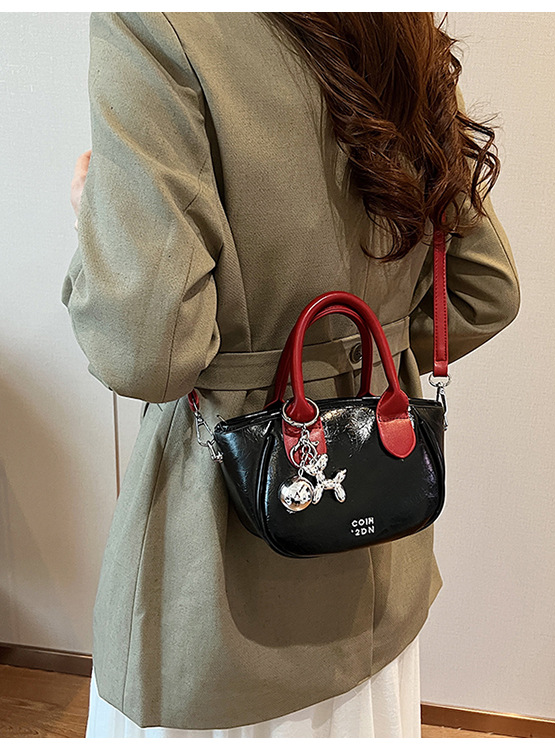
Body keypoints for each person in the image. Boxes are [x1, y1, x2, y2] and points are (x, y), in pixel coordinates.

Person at [63, 11, 521, 738]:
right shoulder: (400, 27)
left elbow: (146, 349)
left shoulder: (155, 22)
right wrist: (363, 363)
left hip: (221, 580)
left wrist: (98, 220)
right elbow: (483, 290)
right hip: (378, 562)